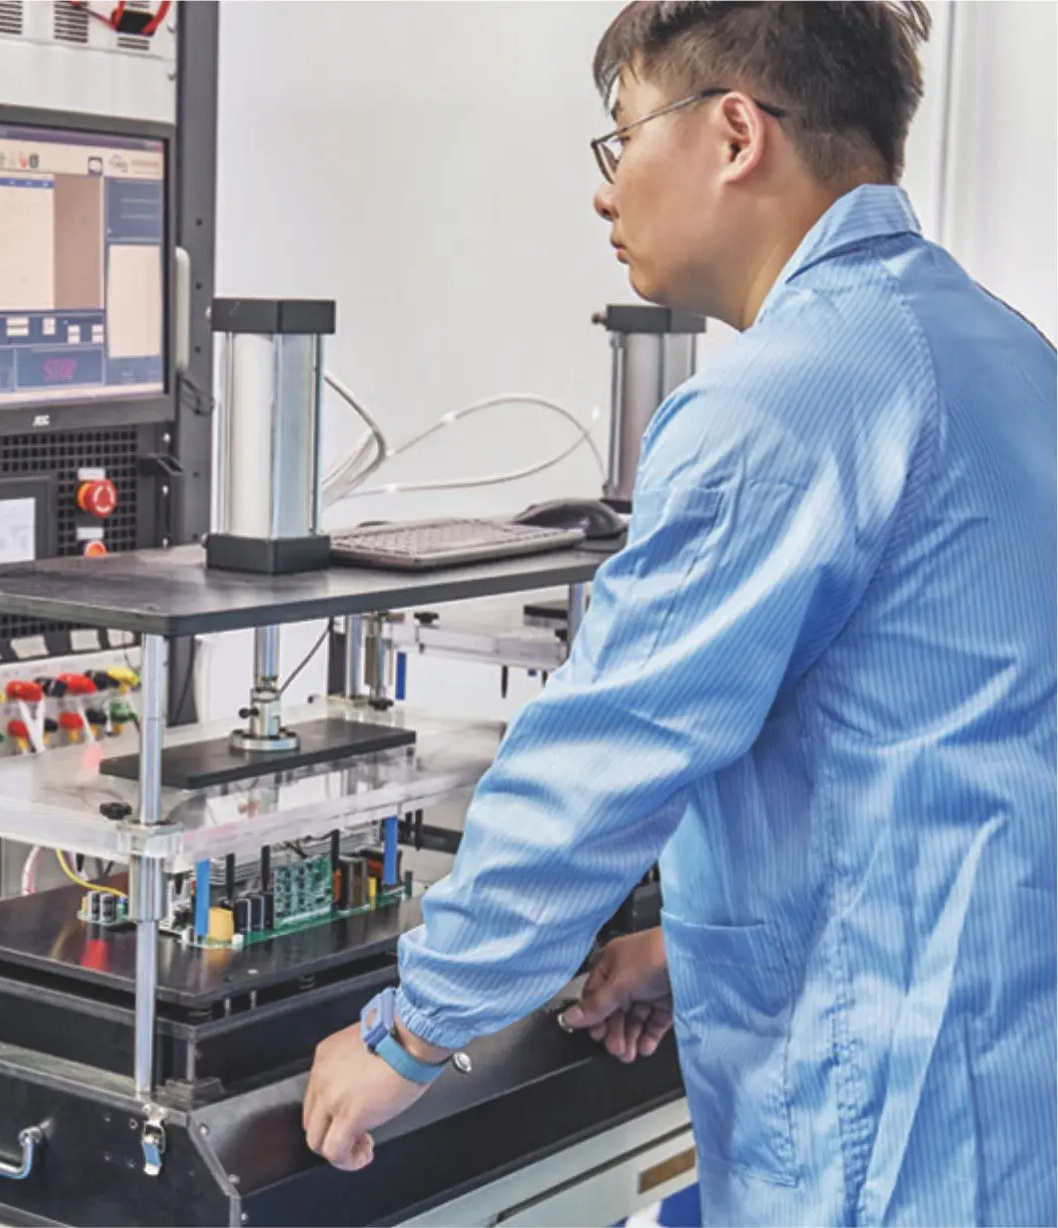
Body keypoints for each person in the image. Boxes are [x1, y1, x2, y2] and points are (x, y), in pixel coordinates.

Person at [303, 2, 1058, 1223]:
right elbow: (945, 756)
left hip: (890, 1126)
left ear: (735, 133)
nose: (605, 192)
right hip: (1003, 1086)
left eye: (622, 137)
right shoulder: (1002, 351)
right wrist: (685, 950)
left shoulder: (783, 399)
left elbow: (604, 755)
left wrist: (414, 1028)